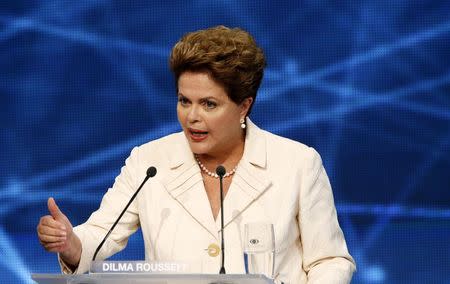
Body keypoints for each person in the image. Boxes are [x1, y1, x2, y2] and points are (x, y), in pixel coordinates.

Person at [37, 25, 356, 283]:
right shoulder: (149, 163)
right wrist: (70, 243)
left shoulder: (298, 163)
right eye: (184, 101)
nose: (192, 116)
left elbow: (330, 260)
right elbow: (99, 235)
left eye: (209, 104)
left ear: (244, 105)